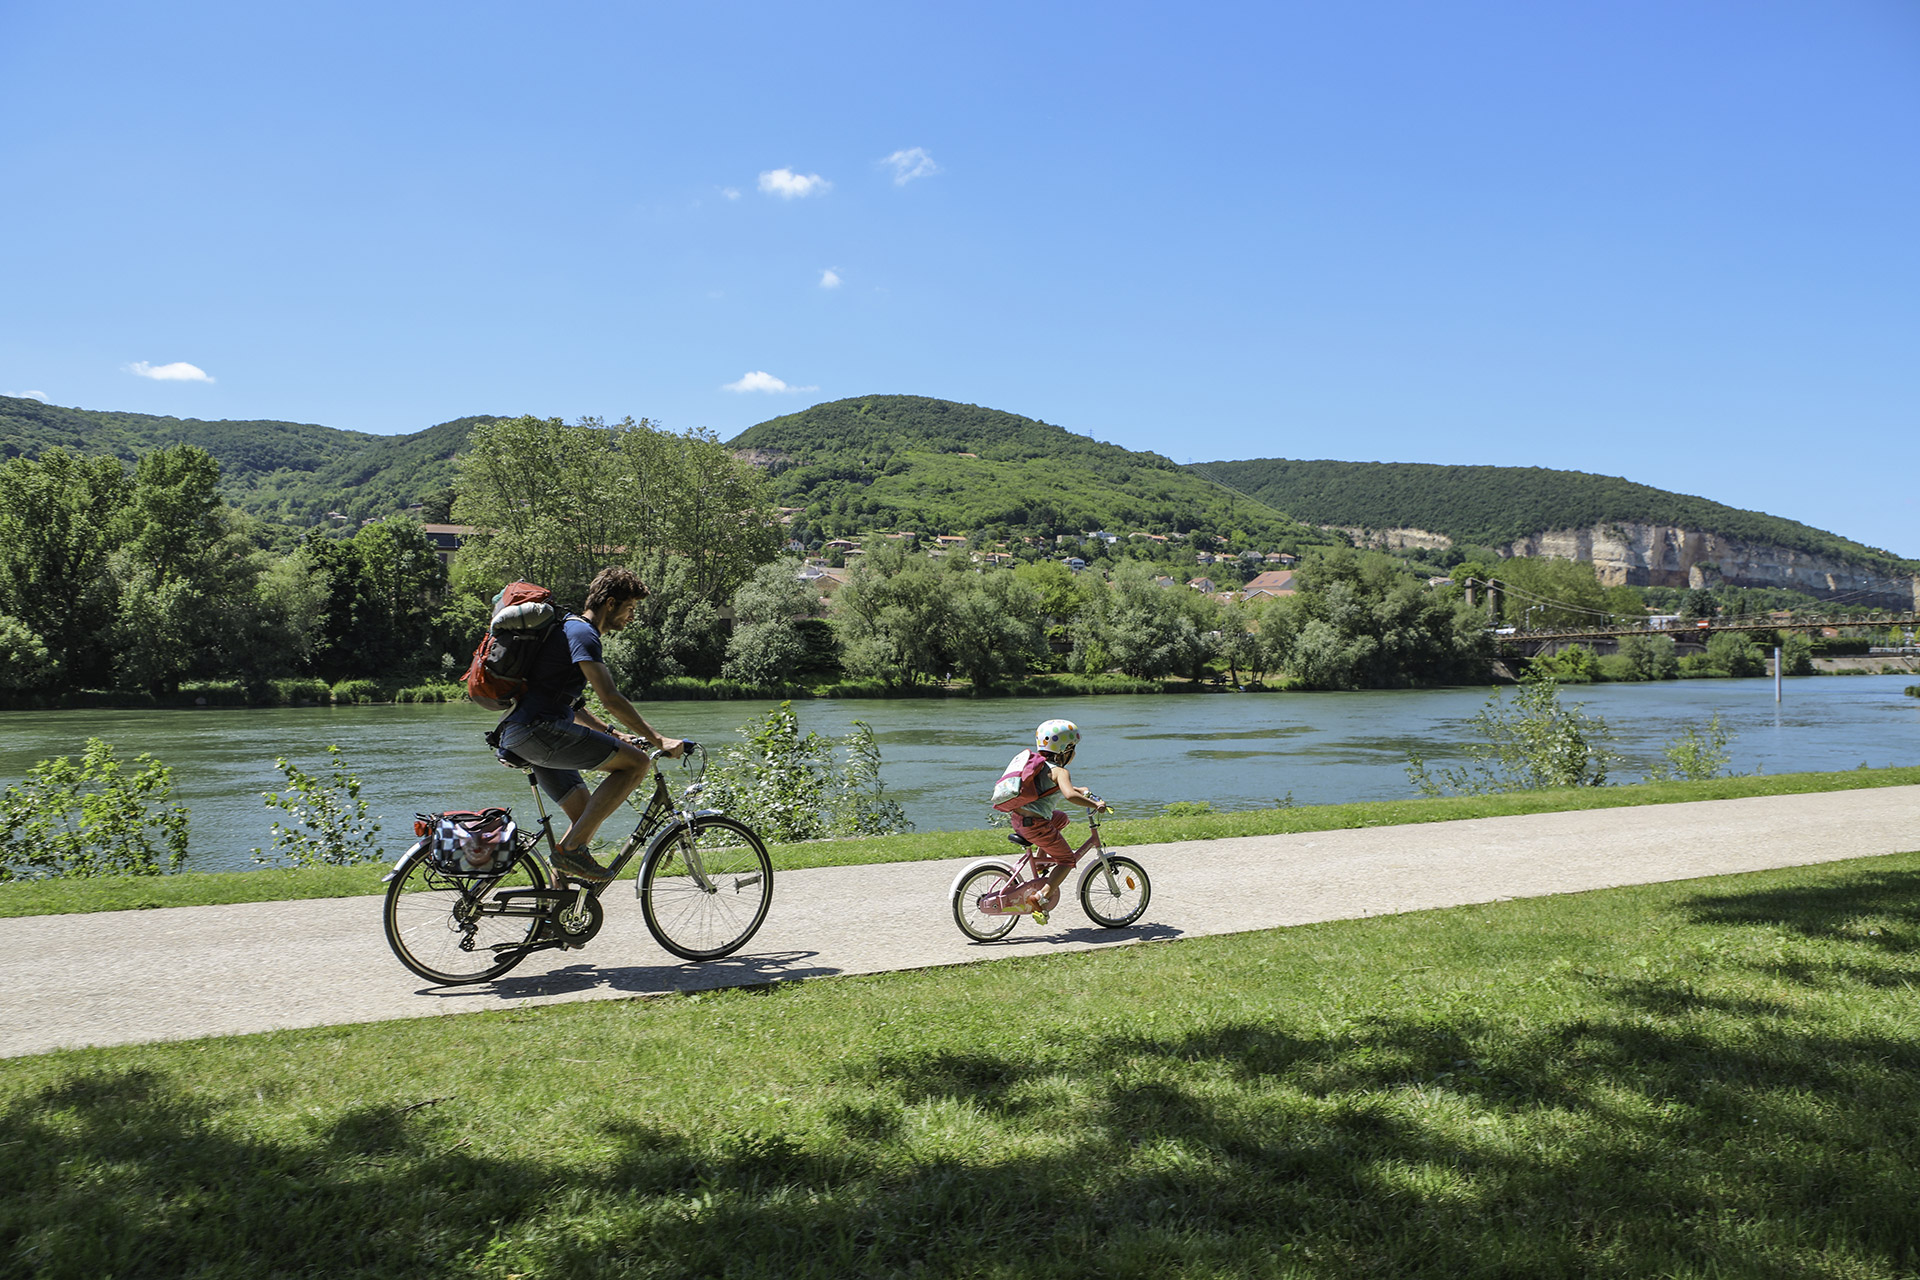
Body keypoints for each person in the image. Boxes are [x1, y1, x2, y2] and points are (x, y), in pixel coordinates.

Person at [493, 566, 682, 883]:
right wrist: (658, 739)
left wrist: (614, 734)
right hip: (539, 731)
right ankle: (570, 852)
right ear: (610, 603)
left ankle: (554, 916)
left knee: (584, 818)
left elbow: (569, 703)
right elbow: (609, 697)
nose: (632, 617)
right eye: (630, 608)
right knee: (636, 764)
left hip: (522, 732)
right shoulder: (584, 634)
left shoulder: (568, 628)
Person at [1001, 718, 1108, 921]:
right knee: (1067, 860)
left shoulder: (1039, 765)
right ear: (1064, 749)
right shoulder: (1060, 771)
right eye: (1073, 748)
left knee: (1060, 818)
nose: (1075, 753)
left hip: (1018, 819)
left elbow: (1052, 788)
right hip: (1037, 826)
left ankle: (1041, 863)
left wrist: (1080, 790)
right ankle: (1040, 898)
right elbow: (1069, 795)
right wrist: (1095, 805)